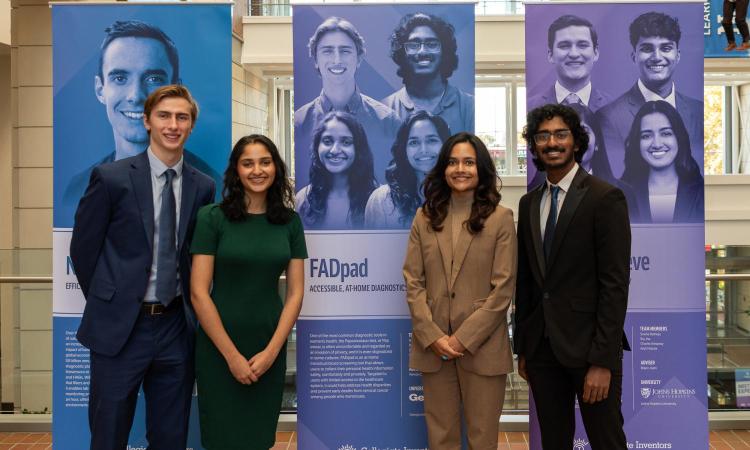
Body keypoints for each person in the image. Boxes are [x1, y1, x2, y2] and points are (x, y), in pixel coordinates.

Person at [70, 85, 216, 450]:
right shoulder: (111, 178)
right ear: (148, 121)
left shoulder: (203, 187)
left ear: (191, 125)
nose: (173, 124)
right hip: (121, 329)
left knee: (171, 437)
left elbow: (194, 255)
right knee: (109, 434)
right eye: (164, 116)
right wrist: (114, 301)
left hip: (175, 328)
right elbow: (84, 251)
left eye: (182, 117)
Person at [515, 103, 631, 450]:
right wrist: (524, 348)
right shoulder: (528, 203)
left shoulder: (604, 198)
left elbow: (615, 285)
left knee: (607, 441)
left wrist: (602, 361)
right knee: (553, 442)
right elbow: (527, 282)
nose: (552, 142)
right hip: (542, 352)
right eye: (543, 136)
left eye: (560, 134)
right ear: (534, 145)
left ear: (576, 142)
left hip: (589, 351)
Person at [190, 134, 307, 450]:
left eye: (265, 162)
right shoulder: (212, 218)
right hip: (219, 346)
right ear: (236, 171)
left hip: (268, 342)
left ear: (276, 168)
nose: (258, 170)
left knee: (258, 438)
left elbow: (295, 293)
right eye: (248, 163)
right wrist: (232, 357)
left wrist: (271, 352)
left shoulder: (290, 222)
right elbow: (199, 293)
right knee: (221, 438)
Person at [403, 132, 517, 449]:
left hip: (483, 350)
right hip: (434, 347)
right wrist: (433, 335)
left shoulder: (501, 219)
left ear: (481, 168)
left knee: (482, 439)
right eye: (452, 162)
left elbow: (503, 289)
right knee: (441, 439)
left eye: (468, 162)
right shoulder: (424, 218)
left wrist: (463, 338)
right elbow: (413, 281)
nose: (460, 169)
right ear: (443, 169)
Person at [62, 20, 221, 209]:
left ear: (176, 89)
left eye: (153, 79)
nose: (136, 96)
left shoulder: (214, 187)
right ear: (100, 89)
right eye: (120, 78)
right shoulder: (78, 190)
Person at [295, 16, 401, 185]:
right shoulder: (299, 123)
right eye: (327, 51)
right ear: (315, 59)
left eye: (345, 51)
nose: (337, 60)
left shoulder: (387, 121)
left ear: (359, 59)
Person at [596, 12, 703, 178]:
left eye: (666, 48)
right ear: (634, 56)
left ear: (678, 55)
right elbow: (616, 180)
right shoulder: (609, 117)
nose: (657, 57)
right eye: (647, 49)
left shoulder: (698, 111)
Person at [383, 13, 474, 134]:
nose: (422, 51)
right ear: (402, 54)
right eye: (413, 45)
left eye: (432, 44)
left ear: (445, 52)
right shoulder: (385, 108)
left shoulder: (469, 106)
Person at [619, 100, 704, 223]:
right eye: (646, 136)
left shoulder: (701, 193)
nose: (657, 144)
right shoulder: (621, 195)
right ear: (637, 142)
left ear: (679, 138)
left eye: (666, 133)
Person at [365, 111, 451, 229]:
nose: (423, 150)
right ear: (404, 150)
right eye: (414, 142)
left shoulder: (463, 196)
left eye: (432, 140)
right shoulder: (381, 200)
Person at [296, 111, 378, 229]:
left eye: (346, 142)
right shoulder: (303, 199)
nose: (334, 150)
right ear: (317, 147)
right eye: (327, 141)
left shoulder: (378, 199)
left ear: (359, 149)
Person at [528, 15, 610, 112]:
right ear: (550, 55)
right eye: (564, 46)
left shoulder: (613, 108)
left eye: (582, 45)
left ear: (595, 53)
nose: (574, 54)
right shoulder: (531, 107)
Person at [528, 103, 616, 190]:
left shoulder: (615, 193)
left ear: (597, 143)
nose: (574, 141)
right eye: (562, 135)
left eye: (583, 132)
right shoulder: (530, 198)